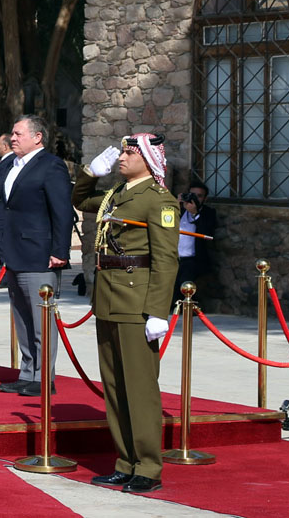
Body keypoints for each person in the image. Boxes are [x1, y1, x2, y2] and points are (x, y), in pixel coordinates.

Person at [73, 133, 179, 495]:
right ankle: (125, 462)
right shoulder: (117, 194)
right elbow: (80, 199)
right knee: (115, 388)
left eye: (129, 152)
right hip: (108, 298)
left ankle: (148, 466)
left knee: (140, 388)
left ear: (148, 159)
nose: (121, 157)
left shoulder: (158, 200)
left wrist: (158, 311)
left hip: (137, 303)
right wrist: (90, 172)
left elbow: (166, 258)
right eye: (121, 151)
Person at [0, 115, 73, 397]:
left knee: (40, 319)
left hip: (39, 254)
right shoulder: (8, 164)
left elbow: (62, 212)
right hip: (13, 252)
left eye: (18, 133)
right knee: (22, 318)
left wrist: (60, 251)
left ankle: (44, 377)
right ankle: (27, 372)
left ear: (37, 137)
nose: (13, 138)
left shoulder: (51, 166)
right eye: (12, 133)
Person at [175, 182, 216, 301]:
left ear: (205, 198)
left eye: (199, 196)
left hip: (191, 259)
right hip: (173, 256)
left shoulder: (208, 213)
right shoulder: (178, 209)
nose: (195, 198)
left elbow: (207, 233)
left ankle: (187, 311)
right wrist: (175, 204)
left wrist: (195, 213)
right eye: (192, 195)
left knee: (185, 286)